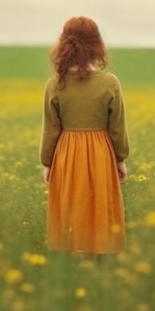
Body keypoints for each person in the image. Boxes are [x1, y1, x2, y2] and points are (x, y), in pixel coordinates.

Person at [39, 16, 129, 259]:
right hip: (101, 152)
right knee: (98, 204)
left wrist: (48, 163)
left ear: (64, 44)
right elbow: (117, 128)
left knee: (71, 205)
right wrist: (120, 160)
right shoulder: (110, 82)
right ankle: (99, 256)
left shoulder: (55, 84)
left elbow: (51, 129)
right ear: (97, 44)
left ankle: (72, 256)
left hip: (67, 153)